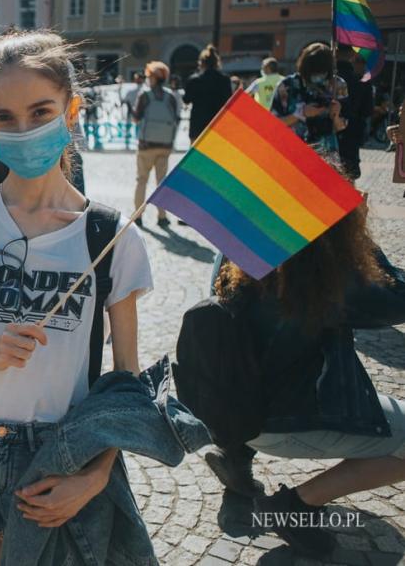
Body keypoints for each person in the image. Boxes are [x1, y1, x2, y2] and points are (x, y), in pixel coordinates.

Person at [0, 29, 154, 565]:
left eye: (41, 111)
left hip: (58, 451)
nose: (24, 129)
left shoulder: (111, 238)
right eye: (4, 118)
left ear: (71, 111)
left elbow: (126, 386)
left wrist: (95, 475)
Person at [175, 184, 405, 556]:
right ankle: (295, 505)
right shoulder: (328, 281)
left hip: (232, 414)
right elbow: (398, 299)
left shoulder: (239, 250)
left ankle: (236, 462)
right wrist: (361, 240)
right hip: (285, 422)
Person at [271, 42, 348, 155]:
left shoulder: (337, 84)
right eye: (313, 70)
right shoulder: (287, 85)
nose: (318, 77)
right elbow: (273, 124)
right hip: (293, 152)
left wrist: (336, 115)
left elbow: (342, 126)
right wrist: (300, 114)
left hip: (327, 153)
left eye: (323, 71)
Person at [131, 61, 179, 228]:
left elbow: (136, 118)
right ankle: (162, 217)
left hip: (146, 146)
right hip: (164, 145)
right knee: (162, 182)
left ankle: (138, 216)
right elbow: (176, 119)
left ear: (153, 77)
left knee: (141, 180)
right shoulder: (171, 97)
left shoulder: (145, 96)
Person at [183, 45, 232, 142]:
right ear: (216, 63)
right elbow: (229, 101)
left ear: (201, 63)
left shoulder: (194, 80)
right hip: (218, 126)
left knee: (198, 157)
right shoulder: (225, 80)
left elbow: (186, 99)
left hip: (198, 126)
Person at [337, 46, 372, 179]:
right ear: (352, 55)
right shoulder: (361, 81)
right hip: (352, 132)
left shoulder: (328, 78)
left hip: (326, 132)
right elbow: (368, 110)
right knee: (349, 174)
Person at [122, 72, 144, 149]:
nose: (138, 80)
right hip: (131, 113)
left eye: (139, 78)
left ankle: (138, 144)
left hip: (141, 114)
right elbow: (125, 100)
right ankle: (127, 145)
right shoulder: (130, 90)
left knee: (139, 130)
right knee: (129, 128)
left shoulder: (145, 90)